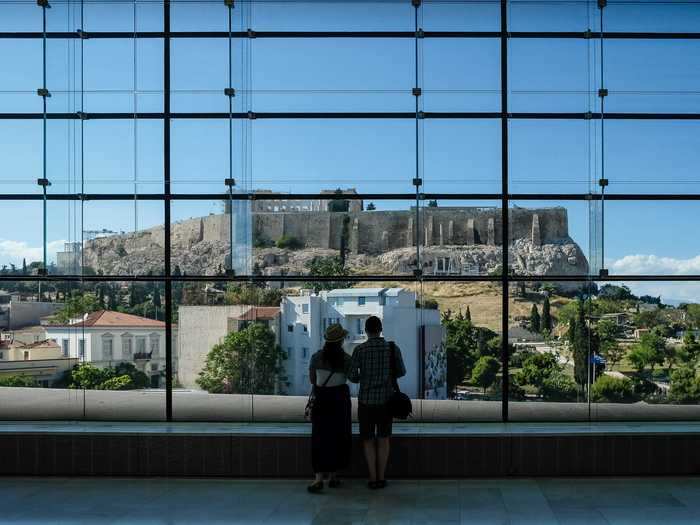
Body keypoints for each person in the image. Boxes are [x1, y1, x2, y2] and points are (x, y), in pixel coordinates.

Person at [348, 316, 406, 489]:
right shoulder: (392, 348)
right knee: (383, 439)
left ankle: (372, 478)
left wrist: (363, 378)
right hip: (386, 401)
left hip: (366, 402)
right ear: (381, 329)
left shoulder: (360, 349)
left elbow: (351, 375)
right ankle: (381, 477)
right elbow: (401, 372)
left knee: (367, 439)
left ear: (366, 331)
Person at [307, 323, 353, 493]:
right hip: (340, 400)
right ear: (341, 341)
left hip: (321, 399)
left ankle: (318, 478)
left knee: (319, 438)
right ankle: (333, 476)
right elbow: (352, 378)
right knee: (338, 437)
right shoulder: (346, 359)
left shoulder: (316, 357)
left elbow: (312, 380)